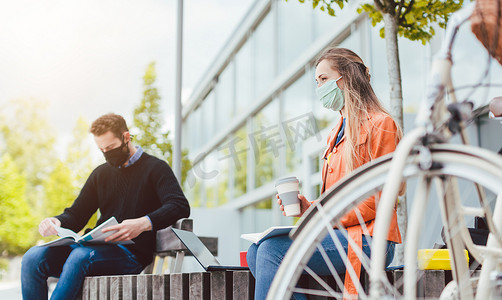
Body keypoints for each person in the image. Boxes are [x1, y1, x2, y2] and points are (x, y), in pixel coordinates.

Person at [246, 47, 403, 300]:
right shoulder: (335, 134)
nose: (319, 87)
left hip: (372, 239)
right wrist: (309, 207)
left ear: (346, 79)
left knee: (271, 251)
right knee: (257, 251)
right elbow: (334, 199)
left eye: (323, 79)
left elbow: (381, 197)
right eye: (316, 81)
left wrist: (323, 218)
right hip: (342, 233)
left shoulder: (381, 123)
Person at [21, 113, 190, 300]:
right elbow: (77, 215)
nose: (106, 154)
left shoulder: (155, 168)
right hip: (91, 251)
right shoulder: (100, 175)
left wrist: (142, 223)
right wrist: (56, 222)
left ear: (126, 137)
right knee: (33, 257)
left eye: (110, 147)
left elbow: (179, 205)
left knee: (80, 256)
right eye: (101, 149)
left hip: (130, 255)